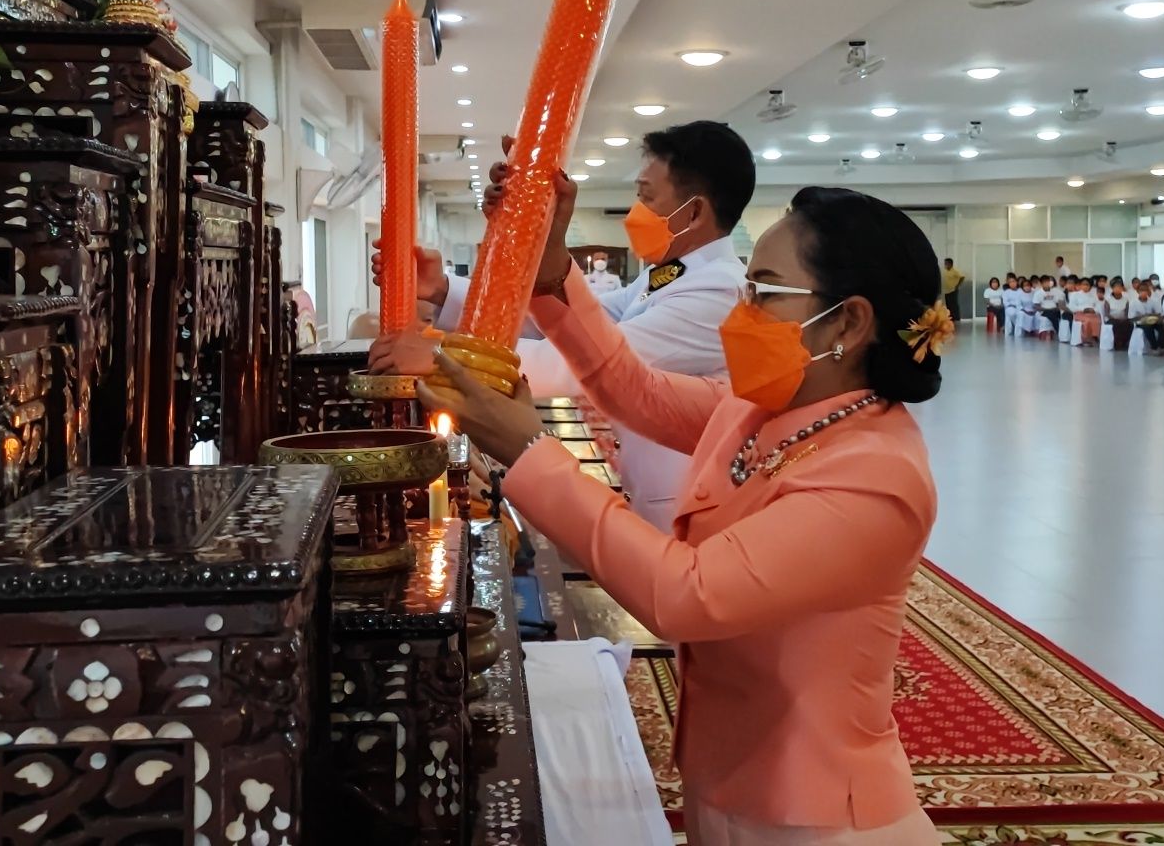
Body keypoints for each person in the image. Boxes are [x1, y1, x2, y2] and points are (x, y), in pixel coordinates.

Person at [405, 185, 945, 846]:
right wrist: (551, 276)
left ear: (848, 323)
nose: (737, 315)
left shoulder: (876, 473)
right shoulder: (759, 409)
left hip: (823, 812)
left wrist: (530, 451)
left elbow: (688, 593)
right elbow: (634, 390)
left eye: (763, 293)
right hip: (726, 775)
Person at [378, 120, 754, 532]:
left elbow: (582, 363)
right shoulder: (668, 274)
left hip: (689, 506)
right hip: (657, 491)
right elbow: (569, 325)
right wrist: (444, 289)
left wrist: (441, 357)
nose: (637, 211)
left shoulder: (717, 290)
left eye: (647, 197)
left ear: (694, 212)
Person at [1130, 282, 1164, 353]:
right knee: (1148, 327)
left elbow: (1159, 313)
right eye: (1142, 290)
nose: (1144, 292)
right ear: (1138, 291)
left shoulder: (1153, 301)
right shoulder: (1133, 302)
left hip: (1152, 320)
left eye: (1145, 290)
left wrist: (1153, 316)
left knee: (1162, 327)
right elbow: (1131, 317)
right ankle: (1154, 347)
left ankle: (1161, 346)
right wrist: (1143, 317)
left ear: (1148, 291)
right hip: (1140, 322)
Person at [1102, 280, 1133, 351]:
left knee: (1129, 325)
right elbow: (1107, 313)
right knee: (1116, 324)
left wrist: (1124, 318)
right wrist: (1114, 318)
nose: (1117, 289)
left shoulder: (1126, 300)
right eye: (1115, 287)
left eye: (1119, 287)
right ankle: (1117, 343)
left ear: (1122, 288)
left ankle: (1125, 342)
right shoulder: (1108, 300)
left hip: (1123, 319)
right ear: (1112, 289)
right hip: (1111, 319)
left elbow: (1127, 312)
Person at [941, 258, 965, 323]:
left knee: (953, 304)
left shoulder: (954, 271)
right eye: (945, 263)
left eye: (946, 263)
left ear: (950, 264)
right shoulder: (946, 271)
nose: (945, 265)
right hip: (947, 291)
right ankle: (951, 317)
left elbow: (962, 277)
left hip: (953, 290)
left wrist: (957, 286)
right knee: (948, 304)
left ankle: (956, 318)